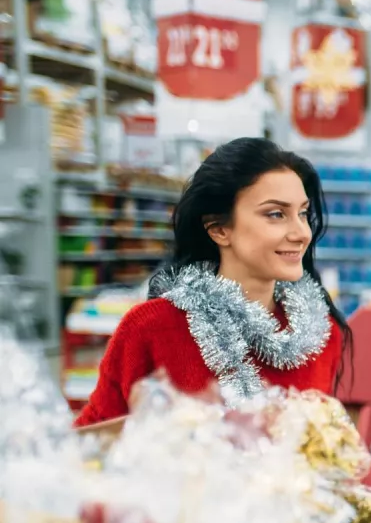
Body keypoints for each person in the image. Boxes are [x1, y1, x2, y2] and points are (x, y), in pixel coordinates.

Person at [74, 138, 350, 427]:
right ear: (219, 229)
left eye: (303, 213)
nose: (301, 232)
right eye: (276, 214)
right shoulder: (151, 328)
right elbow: (92, 443)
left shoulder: (321, 334)